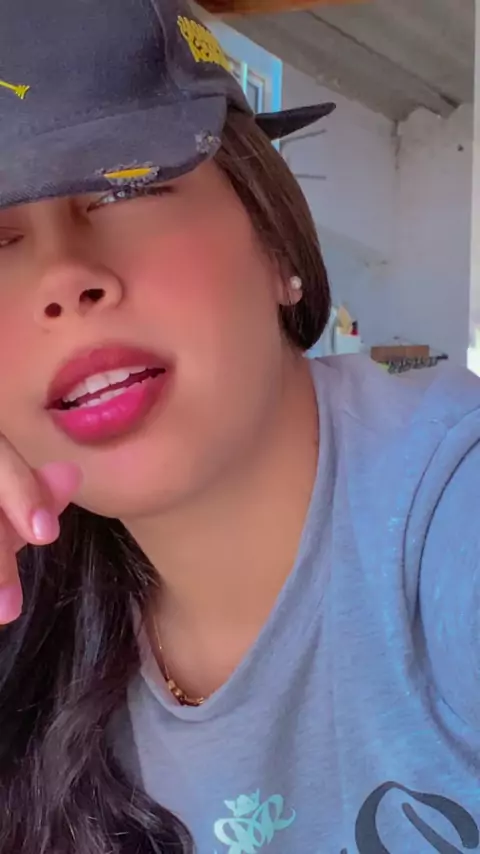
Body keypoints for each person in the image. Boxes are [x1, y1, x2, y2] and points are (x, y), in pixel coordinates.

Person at [0, 1, 479, 853]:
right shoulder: (36, 620)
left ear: (277, 240)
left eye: (129, 185)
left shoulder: (451, 513)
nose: (64, 277)